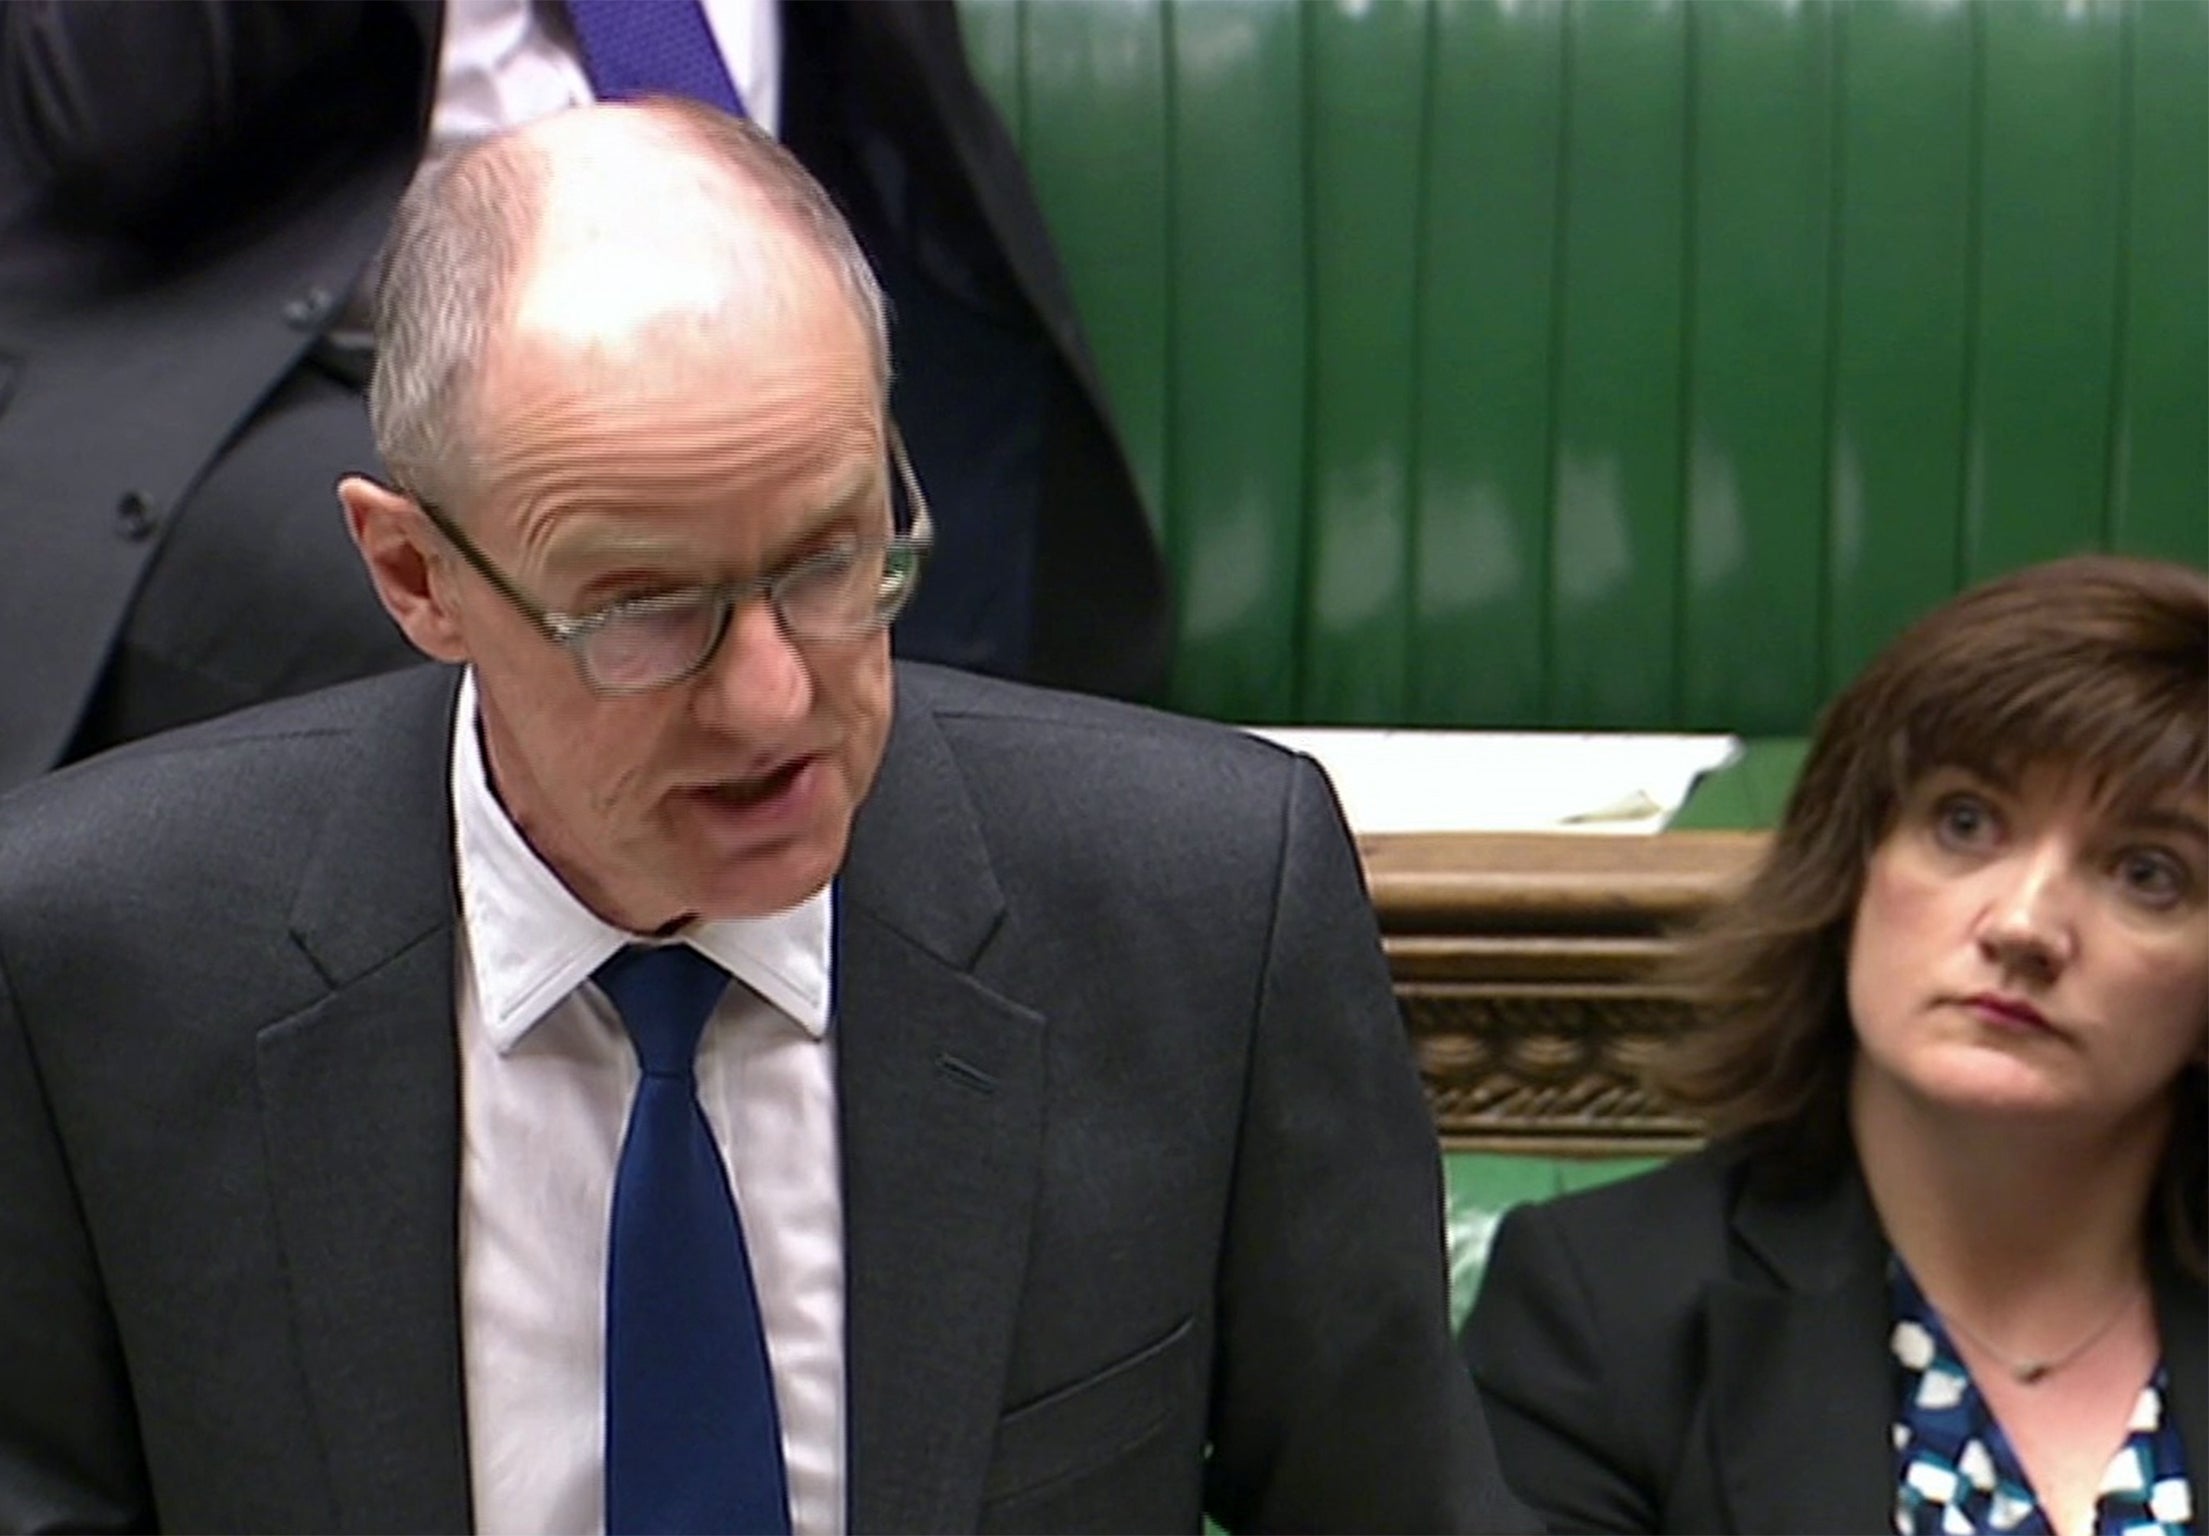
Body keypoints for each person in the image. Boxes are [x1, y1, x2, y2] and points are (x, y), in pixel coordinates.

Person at [0, 99, 1529, 1535]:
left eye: (829, 559)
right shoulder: (92, 966)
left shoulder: (1204, 914)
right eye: (646, 609)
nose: (774, 702)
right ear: (417, 576)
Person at [0, 0, 1169, 795]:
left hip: (782, 330)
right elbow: (105, 125)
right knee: (557, 653)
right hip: (276, 380)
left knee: (952, 668)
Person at [1460, 554, 2207, 1535]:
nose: (2024, 924)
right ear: (1851, 863)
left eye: (2148, 874)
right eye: (1965, 821)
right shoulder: (1602, 1312)